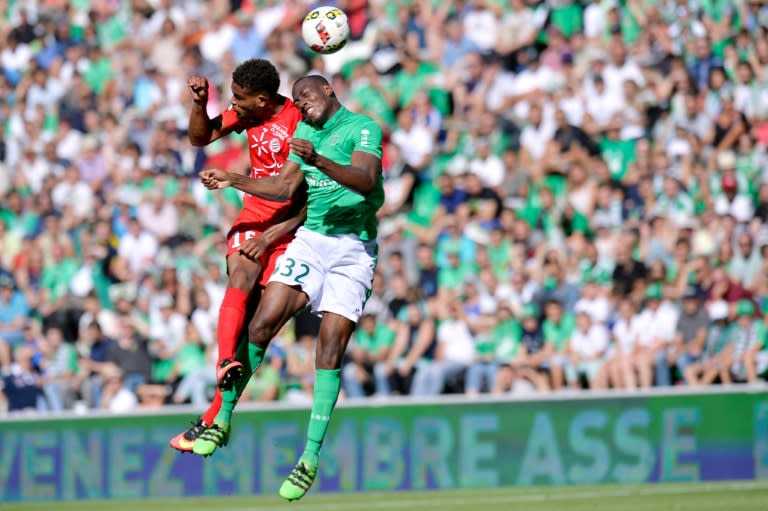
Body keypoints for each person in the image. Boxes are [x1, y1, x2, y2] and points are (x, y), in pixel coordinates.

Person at [199, 74, 384, 501]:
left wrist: (318, 160)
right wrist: (234, 180)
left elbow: (365, 181)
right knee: (262, 323)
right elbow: (283, 187)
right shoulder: (303, 130)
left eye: (308, 95)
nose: (302, 104)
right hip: (313, 239)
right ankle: (223, 416)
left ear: (328, 91)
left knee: (330, 345)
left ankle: (310, 457)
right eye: (297, 99)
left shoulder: (362, 127)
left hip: (354, 249)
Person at [168, 59, 306, 454]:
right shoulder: (247, 115)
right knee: (239, 277)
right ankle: (225, 361)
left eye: (240, 99)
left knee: (260, 328)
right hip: (255, 216)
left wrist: (234, 182)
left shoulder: (301, 120)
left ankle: (214, 415)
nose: (234, 104)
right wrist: (199, 104)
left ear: (263, 100)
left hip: (296, 227)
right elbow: (202, 137)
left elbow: (294, 193)